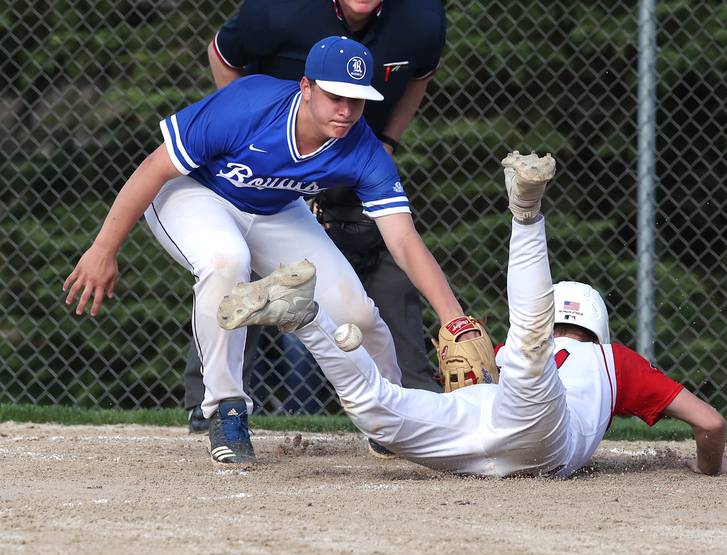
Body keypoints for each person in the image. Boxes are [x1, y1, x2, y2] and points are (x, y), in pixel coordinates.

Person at [63, 36, 476, 465]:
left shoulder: (362, 148)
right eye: (335, 96)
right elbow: (154, 167)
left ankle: (389, 416)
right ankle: (226, 408)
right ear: (306, 87)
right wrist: (103, 248)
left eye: (357, 99)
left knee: (356, 312)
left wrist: (455, 319)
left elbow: (405, 241)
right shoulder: (249, 105)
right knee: (227, 262)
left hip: (276, 208)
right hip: (192, 193)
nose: (346, 110)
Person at [222, 150, 727, 476]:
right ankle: (527, 215)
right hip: (541, 441)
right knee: (529, 353)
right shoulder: (611, 359)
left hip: (472, 429)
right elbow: (710, 424)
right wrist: (706, 468)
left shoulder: (501, 353)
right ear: (596, 329)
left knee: (378, 407)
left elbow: (482, 381)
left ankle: (308, 318)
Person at [185, 0, 447, 432]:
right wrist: (256, 144)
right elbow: (223, 54)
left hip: (355, 156)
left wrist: (387, 140)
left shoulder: (420, 16)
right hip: (269, 160)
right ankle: (213, 401)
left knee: (380, 269)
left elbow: (420, 75)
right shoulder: (280, 9)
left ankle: (402, 405)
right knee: (233, 264)